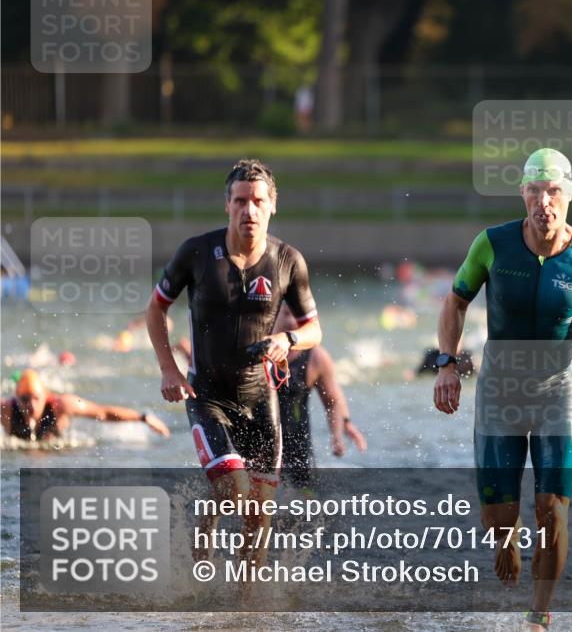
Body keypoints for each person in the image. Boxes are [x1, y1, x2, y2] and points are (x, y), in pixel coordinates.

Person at [433, 148, 572, 630]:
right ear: (523, 194)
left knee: (553, 510)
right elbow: (455, 301)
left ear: (568, 195)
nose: (543, 202)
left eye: (553, 192)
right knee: (498, 515)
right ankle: (506, 537)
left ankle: (539, 614)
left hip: (555, 393)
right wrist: (447, 363)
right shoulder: (493, 244)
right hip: (498, 392)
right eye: (534, 191)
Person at [145, 158, 321, 566]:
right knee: (234, 489)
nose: (249, 210)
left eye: (258, 201)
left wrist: (288, 338)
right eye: (240, 201)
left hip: (261, 397)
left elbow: (314, 329)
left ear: (273, 205)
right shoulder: (196, 252)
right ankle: (200, 559)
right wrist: (168, 369)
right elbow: (156, 309)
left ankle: (247, 597)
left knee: (259, 514)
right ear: (227, 205)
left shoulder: (287, 260)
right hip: (207, 395)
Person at [272, 304, 366, 490]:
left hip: (297, 446)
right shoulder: (258, 351)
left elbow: (332, 401)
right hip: (261, 441)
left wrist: (338, 434)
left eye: (299, 316)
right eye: (287, 314)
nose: (293, 322)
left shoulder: (316, 358)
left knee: (303, 499)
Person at [1, 368, 170, 440]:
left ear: (45, 396)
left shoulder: (63, 405)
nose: (31, 405)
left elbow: (103, 413)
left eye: (36, 398)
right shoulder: (5, 409)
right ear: (16, 398)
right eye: (25, 399)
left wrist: (143, 418)